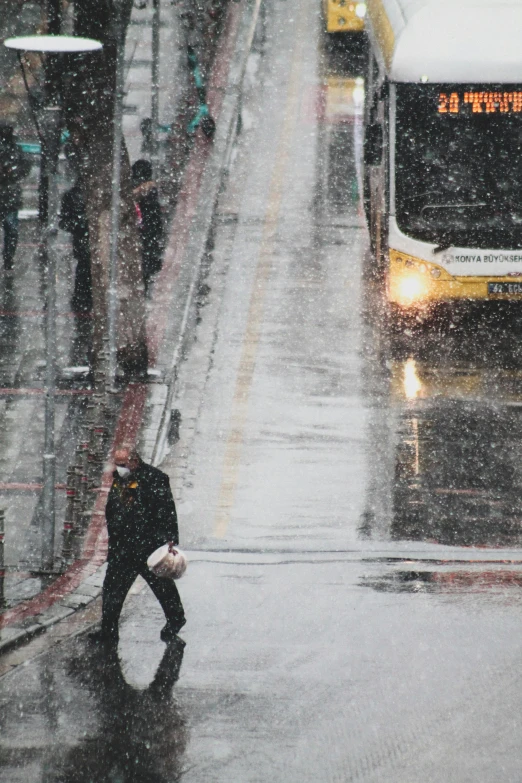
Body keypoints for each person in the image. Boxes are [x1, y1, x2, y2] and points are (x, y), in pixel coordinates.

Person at [90, 447, 185, 645]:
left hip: (147, 546)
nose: (119, 468)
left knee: (162, 586)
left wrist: (170, 539)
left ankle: (176, 619)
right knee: (112, 590)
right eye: (117, 464)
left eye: (123, 464)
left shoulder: (155, 478)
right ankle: (108, 632)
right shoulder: (121, 478)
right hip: (122, 548)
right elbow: (116, 507)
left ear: (134, 461)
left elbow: (167, 509)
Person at [0, 123, 30, 273]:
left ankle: (8, 259)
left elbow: (25, 168)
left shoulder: (15, 150)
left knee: (11, 230)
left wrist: (12, 172)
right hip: (10, 196)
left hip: (10, 197)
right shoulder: (15, 150)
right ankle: (8, 259)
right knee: (11, 230)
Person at [132, 159, 164, 292]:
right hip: (147, 235)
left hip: (140, 234)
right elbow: (155, 217)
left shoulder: (133, 191)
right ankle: (143, 285)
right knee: (145, 262)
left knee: (141, 263)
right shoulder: (151, 191)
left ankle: (142, 285)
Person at [59, 182, 92, 313]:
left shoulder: (73, 195)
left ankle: (82, 298)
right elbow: (65, 221)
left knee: (84, 266)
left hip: (84, 239)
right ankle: (83, 298)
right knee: (84, 266)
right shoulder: (73, 195)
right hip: (83, 240)